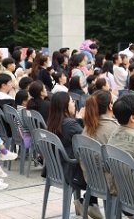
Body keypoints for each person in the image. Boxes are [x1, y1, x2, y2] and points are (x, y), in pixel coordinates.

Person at [46, 91, 101, 219]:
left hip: (57, 168)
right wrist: (80, 120)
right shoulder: (70, 124)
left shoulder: (53, 122)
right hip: (71, 169)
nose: (74, 104)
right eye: (71, 101)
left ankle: (89, 202)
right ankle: (89, 201)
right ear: (65, 106)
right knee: (99, 167)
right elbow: (85, 141)